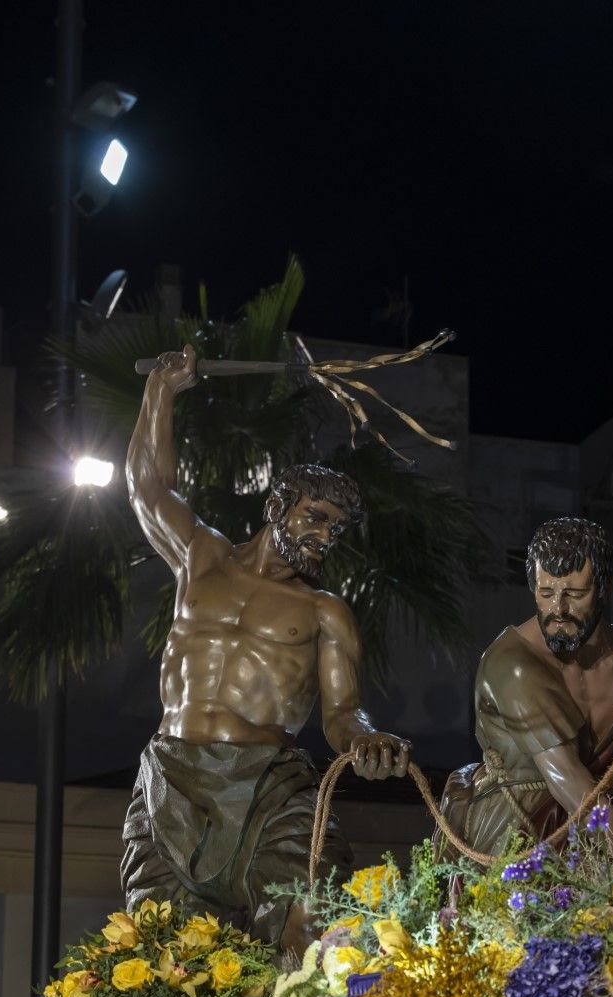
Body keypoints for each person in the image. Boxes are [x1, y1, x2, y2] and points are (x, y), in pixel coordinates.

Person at [121, 345, 411, 946]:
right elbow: (148, 489)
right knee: (162, 959)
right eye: (317, 518)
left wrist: (364, 740)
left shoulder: (325, 610)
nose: (326, 536)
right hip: (173, 776)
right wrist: (162, 392)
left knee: (307, 923)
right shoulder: (202, 557)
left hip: (269, 788)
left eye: (336, 528)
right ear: (279, 505)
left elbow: (340, 712)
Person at [439, 518, 613, 854]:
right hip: (522, 836)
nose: (558, 609)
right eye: (546, 593)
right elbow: (567, 776)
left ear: (604, 587)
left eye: (575, 594)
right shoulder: (513, 663)